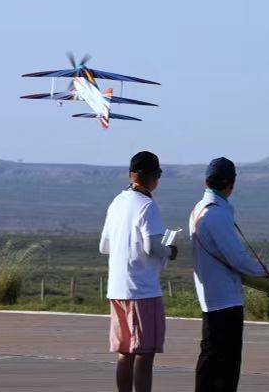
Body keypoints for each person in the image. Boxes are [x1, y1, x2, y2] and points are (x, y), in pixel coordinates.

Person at [189, 157, 269, 392]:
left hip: (210, 295)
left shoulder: (199, 209)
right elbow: (235, 256)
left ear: (206, 181)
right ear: (231, 184)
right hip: (225, 297)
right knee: (227, 362)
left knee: (210, 356)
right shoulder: (216, 213)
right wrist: (265, 272)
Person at [99, 151, 178, 392]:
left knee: (125, 352)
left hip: (117, 289)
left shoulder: (117, 202)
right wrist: (170, 250)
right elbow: (151, 246)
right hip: (141, 290)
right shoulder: (147, 205)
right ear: (153, 176)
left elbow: (104, 246)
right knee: (145, 353)